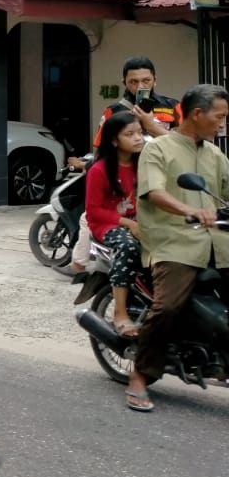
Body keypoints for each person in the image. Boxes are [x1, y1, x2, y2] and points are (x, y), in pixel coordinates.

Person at [126, 84, 229, 414]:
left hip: (219, 241)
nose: (223, 123)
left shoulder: (215, 155)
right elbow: (154, 191)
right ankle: (141, 375)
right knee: (168, 306)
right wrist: (190, 211)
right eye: (220, 116)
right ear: (197, 114)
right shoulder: (158, 150)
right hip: (174, 241)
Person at [84, 111, 145, 337]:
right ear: (113, 140)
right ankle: (120, 313)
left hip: (138, 220)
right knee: (128, 246)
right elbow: (94, 211)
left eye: (140, 132)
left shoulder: (144, 163)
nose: (138, 138)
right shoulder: (99, 170)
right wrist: (127, 223)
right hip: (107, 225)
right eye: (130, 134)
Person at [93, 56, 182, 146]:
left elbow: (185, 143)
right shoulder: (112, 111)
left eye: (146, 81)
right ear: (125, 83)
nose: (140, 87)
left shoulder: (173, 106)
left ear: (155, 80)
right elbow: (102, 148)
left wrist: (151, 126)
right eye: (133, 82)